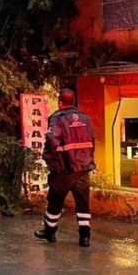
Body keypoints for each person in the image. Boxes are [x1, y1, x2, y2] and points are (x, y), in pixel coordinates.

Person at [34, 88, 96, 247]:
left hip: (64, 169)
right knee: (83, 202)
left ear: (60, 102)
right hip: (82, 169)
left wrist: (48, 159)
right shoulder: (86, 119)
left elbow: (52, 140)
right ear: (73, 102)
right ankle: (85, 237)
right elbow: (92, 141)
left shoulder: (57, 118)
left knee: (54, 201)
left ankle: (49, 232)